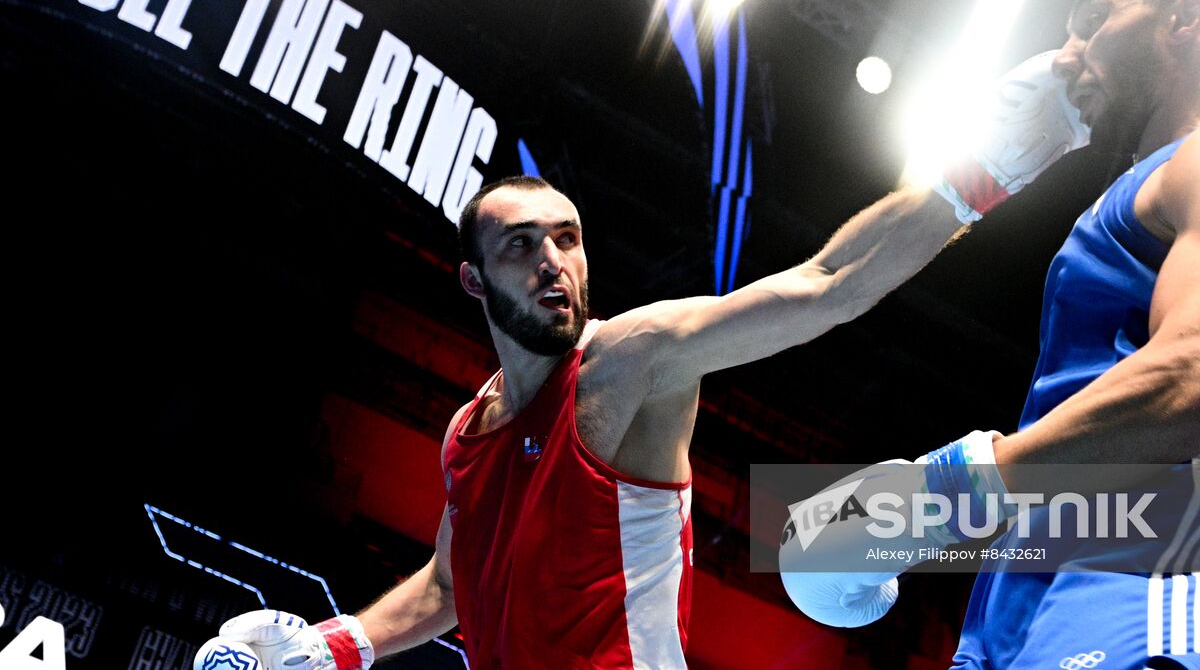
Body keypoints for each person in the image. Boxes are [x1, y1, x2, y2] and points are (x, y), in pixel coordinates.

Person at [191, 49, 1089, 667]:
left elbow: (827, 284)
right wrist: (336, 645)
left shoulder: (629, 362)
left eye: (567, 238)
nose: (553, 261)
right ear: (473, 279)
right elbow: (451, 583)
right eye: (521, 245)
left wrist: (982, 172)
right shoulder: (468, 431)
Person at [781, 0, 1200, 669]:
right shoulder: (1138, 191)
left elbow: (1194, 385)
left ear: (1185, 19)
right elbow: (832, 278)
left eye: (1092, 20)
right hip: (1028, 578)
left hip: (1156, 553)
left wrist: (931, 499)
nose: (1066, 57)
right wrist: (966, 180)